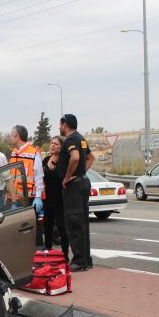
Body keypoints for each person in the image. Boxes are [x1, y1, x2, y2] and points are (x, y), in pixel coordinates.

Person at [58, 114, 94, 272]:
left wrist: (67, 177)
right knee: (83, 222)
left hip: (73, 187)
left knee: (74, 223)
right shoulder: (81, 138)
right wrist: (81, 172)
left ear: (65, 125)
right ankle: (86, 259)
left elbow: (75, 157)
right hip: (82, 182)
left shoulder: (70, 140)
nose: (59, 127)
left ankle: (79, 261)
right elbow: (90, 158)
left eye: (60, 125)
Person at [10, 124, 45, 217]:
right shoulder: (14, 152)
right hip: (14, 199)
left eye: (11, 135)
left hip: (29, 199)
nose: (10, 137)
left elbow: (39, 176)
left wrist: (38, 197)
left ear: (17, 136)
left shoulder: (33, 153)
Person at [43, 136, 68, 260]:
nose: (52, 145)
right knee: (47, 227)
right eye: (51, 143)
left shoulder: (64, 160)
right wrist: (47, 165)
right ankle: (47, 252)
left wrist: (54, 168)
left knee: (62, 228)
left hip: (60, 199)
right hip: (47, 198)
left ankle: (65, 255)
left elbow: (61, 176)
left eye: (56, 143)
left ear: (61, 146)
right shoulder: (46, 159)